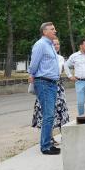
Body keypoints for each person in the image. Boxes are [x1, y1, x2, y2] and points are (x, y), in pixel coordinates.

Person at [28, 22, 60, 155]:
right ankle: (45, 146)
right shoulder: (40, 45)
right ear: (44, 31)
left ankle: (47, 143)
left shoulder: (50, 45)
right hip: (44, 83)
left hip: (51, 83)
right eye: (52, 29)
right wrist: (31, 74)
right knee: (48, 115)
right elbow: (34, 63)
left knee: (49, 115)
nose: (55, 31)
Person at [31, 37, 70, 145]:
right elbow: (35, 66)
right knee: (47, 112)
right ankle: (49, 138)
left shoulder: (61, 58)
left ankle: (65, 136)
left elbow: (65, 70)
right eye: (54, 44)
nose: (56, 46)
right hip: (45, 85)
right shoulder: (45, 56)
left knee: (61, 110)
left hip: (57, 86)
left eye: (58, 44)